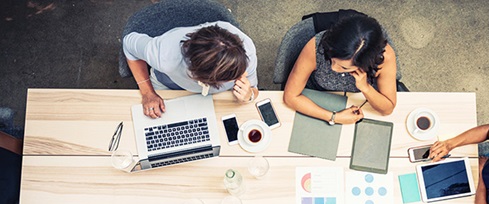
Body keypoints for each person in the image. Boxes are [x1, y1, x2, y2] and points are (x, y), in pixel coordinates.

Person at [123, 21, 259, 119]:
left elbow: (253, 88)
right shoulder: (164, 55)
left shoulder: (246, 52)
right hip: (169, 85)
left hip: (217, 97)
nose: (244, 74)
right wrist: (148, 93)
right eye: (233, 76)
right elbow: (129, 44)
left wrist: (249, 95)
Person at [283, 14, 398, 125]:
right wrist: (334, 117)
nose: (333, 68)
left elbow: (387, 109)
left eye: (344, 67)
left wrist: (365, 88)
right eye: (332, 60)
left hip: (361, 102)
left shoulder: (384, 57)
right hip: (319, 96)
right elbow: (290, 96)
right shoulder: (316, 46)